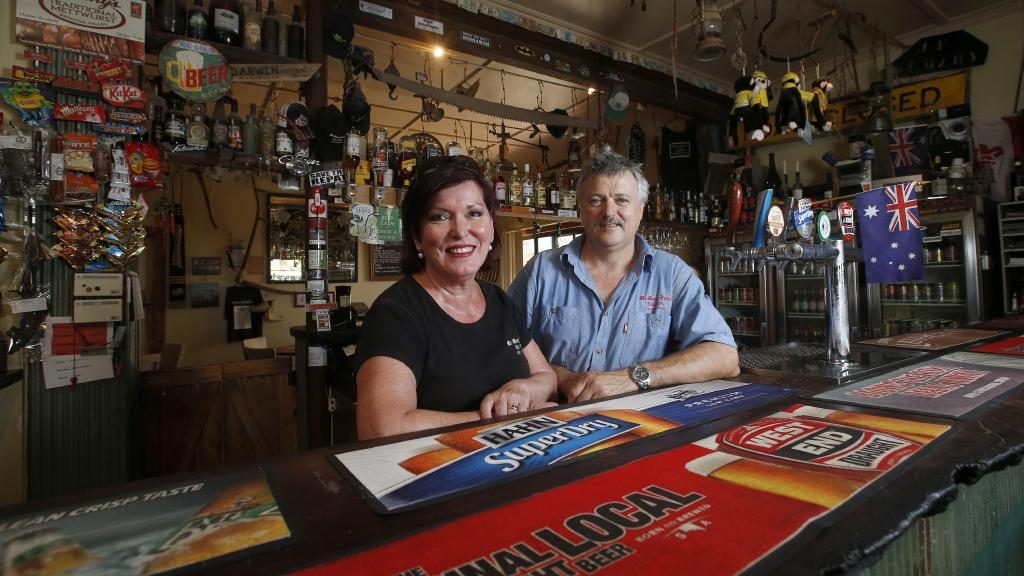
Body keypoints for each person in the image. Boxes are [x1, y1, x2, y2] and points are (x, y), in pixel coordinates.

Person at [508, 146, 739, 403]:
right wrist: (562, 379)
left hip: (644, 424)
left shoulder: (673, 275)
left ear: (640, 210)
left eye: (622, 200)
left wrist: (634, 377)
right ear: (580, 209)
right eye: (596, 200)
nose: (609, 212)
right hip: (556, 423)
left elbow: (725, 357)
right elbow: (503, 348)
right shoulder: (541, 271)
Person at [356, 156, 557, 440]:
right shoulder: (396, 313)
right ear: (417, 237)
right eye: (440, 216)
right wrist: (497, 420)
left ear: (490, 227)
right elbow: (382, 428)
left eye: (474, 213)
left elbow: (547, 378)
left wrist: (521, 391)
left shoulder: (500, 301)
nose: (461, 231)